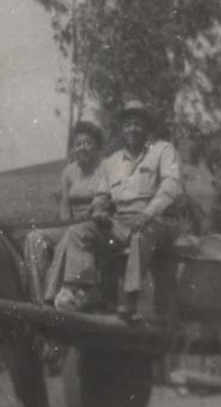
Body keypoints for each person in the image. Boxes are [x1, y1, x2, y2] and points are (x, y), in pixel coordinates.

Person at [53, 100, 183, 318]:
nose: (132, 129)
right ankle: (82, 289)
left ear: (147, 127)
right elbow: (102, 195)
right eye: (127, 125)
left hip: (159, 221)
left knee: (141, 232)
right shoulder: (112, 162)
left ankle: (130, 295)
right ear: (122, 129)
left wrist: (148, 213)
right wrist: (98, 211)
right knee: (78, 231)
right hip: (122, 222)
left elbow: (171, 187)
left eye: (137, 124)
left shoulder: (163, 151)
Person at [23, 120, 105, 305]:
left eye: (87, 143)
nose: (82, 148)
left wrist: (78, 225)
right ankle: (35, 296)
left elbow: (105, 203)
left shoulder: (104, 170)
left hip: (94, 228)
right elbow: (64, 206)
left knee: (70, 237)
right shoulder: (69, 171)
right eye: (78, 144)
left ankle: (49, 298)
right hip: (71, 225)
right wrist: (67, 223)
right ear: (73, 149)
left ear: (96, 146)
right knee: (34, 238)